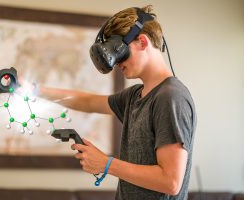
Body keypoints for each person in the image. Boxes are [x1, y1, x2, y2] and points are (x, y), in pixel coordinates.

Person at [38, 5, 196, 200]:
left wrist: (106, 164)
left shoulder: (170, 97)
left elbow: (171, 182)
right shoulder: (135, 96)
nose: (115, 63)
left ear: (142, 42)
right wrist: (33, 90)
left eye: (119, 52)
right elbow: (86, 101)